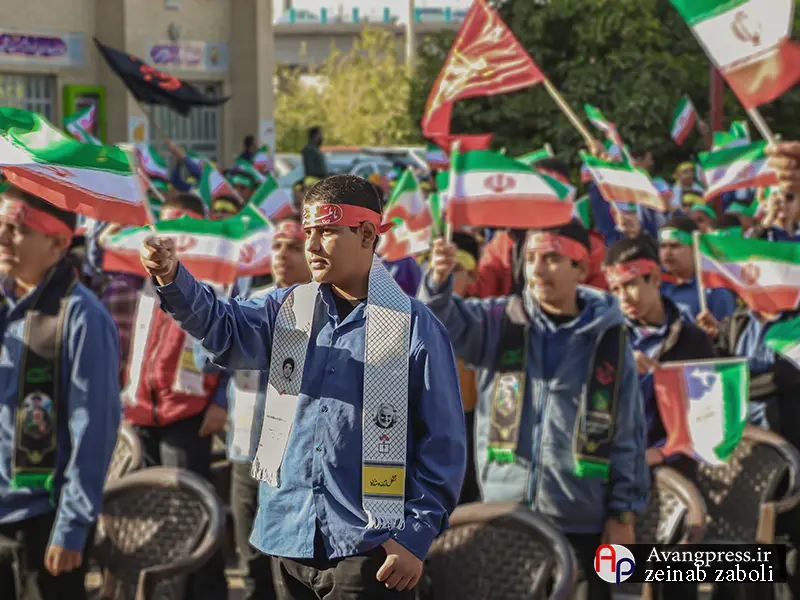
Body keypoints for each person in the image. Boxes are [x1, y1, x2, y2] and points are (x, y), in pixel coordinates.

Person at [139, 174, 466, 599]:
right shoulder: (289, 307)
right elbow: (223, 327)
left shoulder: (414, 326)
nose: (311, 245)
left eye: (326, 232)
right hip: (289, 533)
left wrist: (413, 537)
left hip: (369, 545)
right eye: (308, 232)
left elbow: (443, 445)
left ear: (367, 235)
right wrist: (172, 278)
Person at [419, 219, 649, 600]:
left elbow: (629, 434)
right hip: (505, 515)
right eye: (530, 259)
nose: (538, 270)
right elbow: (435, 324)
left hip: (581, 523)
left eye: (552, 259)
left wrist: (623, 513)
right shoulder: (500, 320)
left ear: (580, 267)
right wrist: (438, 280)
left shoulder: (609, 338)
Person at [0, 186, 121, 600]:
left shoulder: (83, 316)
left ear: (57, 243)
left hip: (44, 519)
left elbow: (94, 429)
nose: (3, 238)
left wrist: (72, 525)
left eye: (17, 229)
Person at [123, 193, 230, 600]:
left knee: (195, 513)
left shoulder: (215, 279)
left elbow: (232, 343)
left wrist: (221, 401)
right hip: (141, 413)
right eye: (164, 225)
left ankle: (208, 593)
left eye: (181, 226)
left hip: (187, 412)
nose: (167, 236)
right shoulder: (143, 278)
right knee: (155, 513)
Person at [226, 214, 312, 600]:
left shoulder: (324, 309)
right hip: (245, 443)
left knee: (289, 563)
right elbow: (213, 356)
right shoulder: (251, 302)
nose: (282, 255)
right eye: (276, 246)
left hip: (293, 455)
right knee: (250, 555)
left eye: (293, 247)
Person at [448, 231, 481, 504]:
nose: (446, 276)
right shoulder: (410, 318)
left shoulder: (485, 321)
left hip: (471, 426)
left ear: (472, 277)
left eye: (456, 268)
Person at [658, 216, 737, 324]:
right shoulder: (654, 284)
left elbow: (729, 332)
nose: (667, 252)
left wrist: (716, 331)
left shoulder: (715, 293)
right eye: (663, 246)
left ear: (694, 248)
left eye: (675, 246)